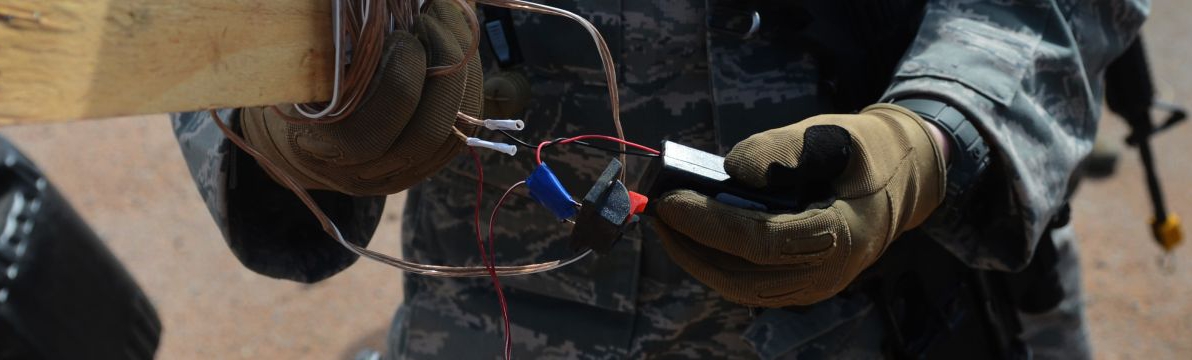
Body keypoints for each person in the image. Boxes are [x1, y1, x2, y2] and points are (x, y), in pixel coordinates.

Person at [171, 0, 1148, 358]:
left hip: (886, 313)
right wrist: (279, 101)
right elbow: (134, 31)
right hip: (498, 319)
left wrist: (937, 137)